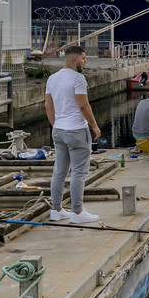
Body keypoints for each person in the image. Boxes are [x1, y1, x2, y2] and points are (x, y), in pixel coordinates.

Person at [45, 45, 101, 225]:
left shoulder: (52, 79)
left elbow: (48, 105)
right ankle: (77, 211)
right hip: (77, 130)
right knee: (78, 172)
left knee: (59, 171)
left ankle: (56, 210)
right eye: (84, 58)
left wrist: (56, 125)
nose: (85, 61)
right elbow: (84, 106)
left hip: (59, 131)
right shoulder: (78, 79)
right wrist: (94, 126)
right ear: (74, 60)